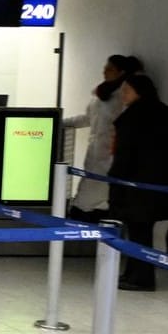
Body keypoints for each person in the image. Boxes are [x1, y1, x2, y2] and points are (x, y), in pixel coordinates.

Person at [108, 73, 168, 291]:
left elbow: (124, 156)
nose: (123, 94)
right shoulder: (166, 113)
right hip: (162, 181)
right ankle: (134, 273)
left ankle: (141, 277)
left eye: (127, 90)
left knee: (138, 230)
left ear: (140, 92)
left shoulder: (131, 118)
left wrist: (114, 183)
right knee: (141, 229)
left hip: (135, 183)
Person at [66, 55, 140, 222]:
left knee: (92, 202)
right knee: (89, 199)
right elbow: (88, 118)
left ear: (121, 72)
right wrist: (60, 122)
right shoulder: (101, 94)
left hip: (111, 158)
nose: (104, 72)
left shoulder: (123, 97)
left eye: (110, 69)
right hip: (95, 156)